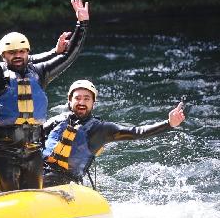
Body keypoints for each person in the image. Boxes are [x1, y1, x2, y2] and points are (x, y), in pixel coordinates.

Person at [0, 0, 89, 192]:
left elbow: (70, 55)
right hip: (3, 151)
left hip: (34, 150)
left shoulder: (41, 72)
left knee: (34, 194)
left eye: (22, 52)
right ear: (3, 56)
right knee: (11, 195)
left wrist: (82, 24)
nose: (17, 56)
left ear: (28, 53)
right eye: (12, 53)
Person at [42, 80, 186, 187]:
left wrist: (168, 124)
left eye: (87, 99)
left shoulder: (102, 130)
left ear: (93, 103)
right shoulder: (56, 121)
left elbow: (137, 132)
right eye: (77, 98)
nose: (82, 102)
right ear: (69, 101)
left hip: (66, 182)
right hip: (39, 172)